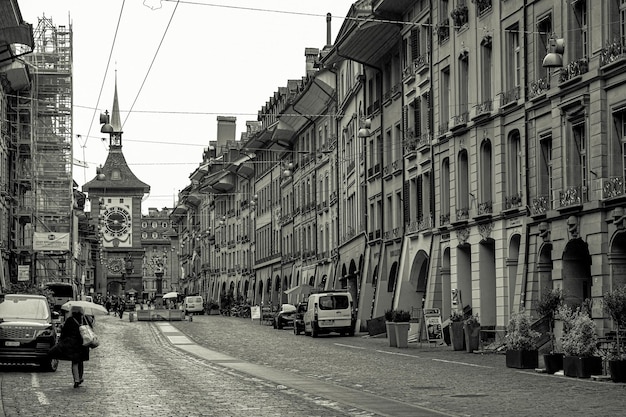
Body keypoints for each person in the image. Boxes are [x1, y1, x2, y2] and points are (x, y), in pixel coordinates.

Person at [50, 305, 93, 388]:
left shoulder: (70, 320)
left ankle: (76, 380)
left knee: (75, 361)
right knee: (81, 360)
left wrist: (61, 340)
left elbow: (64, 332)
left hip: (73, 344)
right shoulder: (85, 319)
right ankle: (80, 377)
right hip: (83, 343)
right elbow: (90, 329)